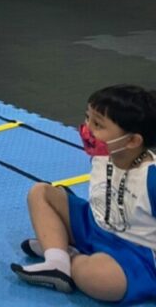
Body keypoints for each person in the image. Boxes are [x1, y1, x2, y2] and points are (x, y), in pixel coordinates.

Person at [11, 84, 156, 304]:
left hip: (134, 255)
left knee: (101, 280)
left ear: (132, 141)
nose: (87, 128)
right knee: (40, 192)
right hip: (93, 226)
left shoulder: (150, 178)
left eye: (98, 124)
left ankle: (65, 252)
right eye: (87, 118)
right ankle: (57, 263)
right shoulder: (103, 155)